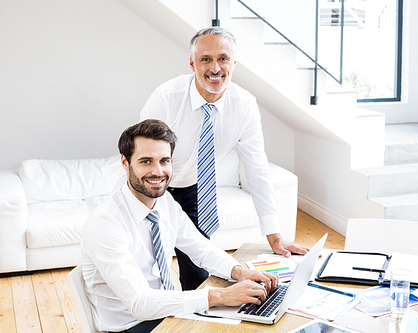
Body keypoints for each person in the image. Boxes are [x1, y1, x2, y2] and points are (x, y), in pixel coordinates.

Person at [140, 27, 308, 291]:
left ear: (234, 63)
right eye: (206, 59)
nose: (215, 68)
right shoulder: (166, 97)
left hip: (194, 190)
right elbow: (139, 155)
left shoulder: (244, 105)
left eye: (223, 58)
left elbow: (256, 169)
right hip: (149, 189)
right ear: (193, 63)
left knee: (198, 274)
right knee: (147, 269)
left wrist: (274, 236)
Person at [81, 119, 278, 333]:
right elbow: (141, 304)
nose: (157, 172)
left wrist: (239, 272)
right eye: (146, 161)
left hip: (168, 312)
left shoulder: (164, 202)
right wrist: (220, 295)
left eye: (164, 161)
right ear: (125, 163)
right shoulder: (106, 223)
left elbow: (200, 249)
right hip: (131, 326)